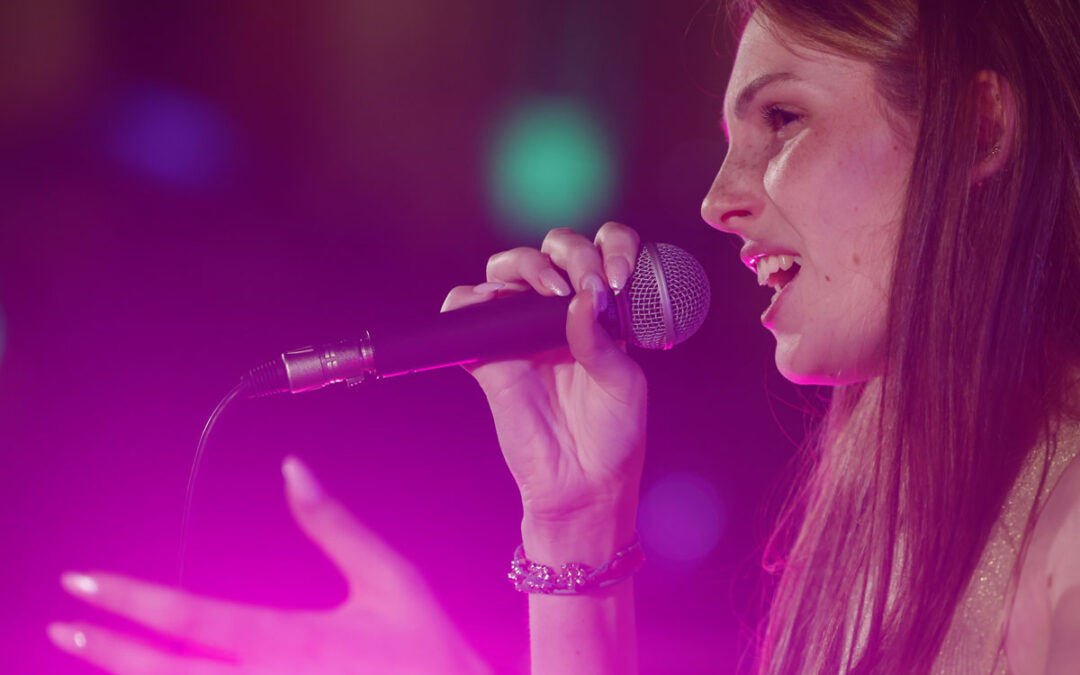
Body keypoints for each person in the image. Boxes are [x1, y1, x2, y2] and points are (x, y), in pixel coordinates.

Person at [49, 0, 1080, 672]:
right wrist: (576, 528)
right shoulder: (874, 535)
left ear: (980, 128)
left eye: (783, 122)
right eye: (729, 142)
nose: (721, 201)